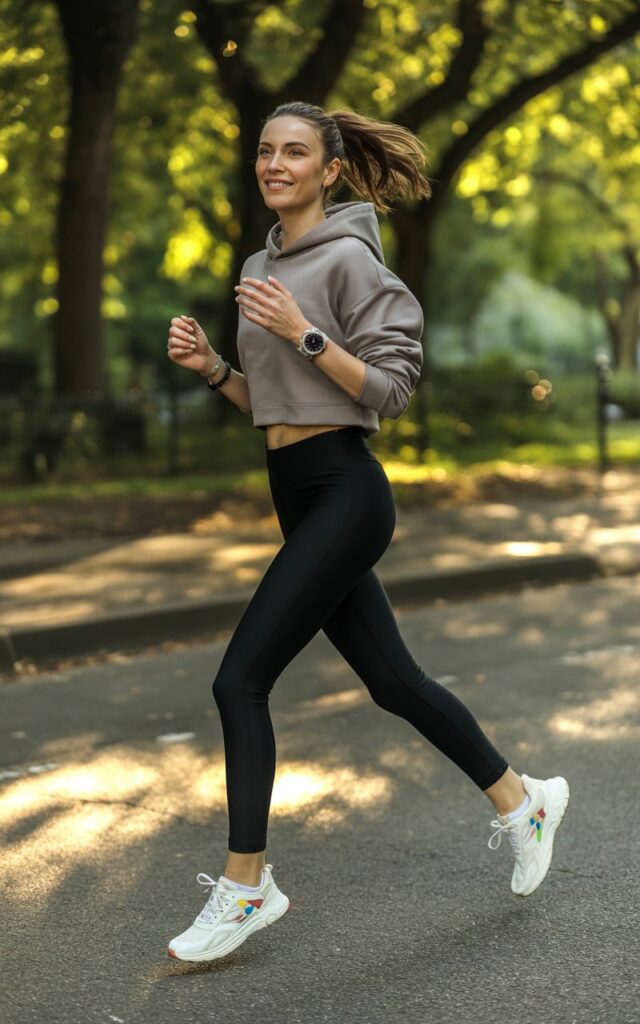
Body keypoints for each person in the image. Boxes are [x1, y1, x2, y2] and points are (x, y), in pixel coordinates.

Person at [164, 101, 570, 963]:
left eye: (295, 153)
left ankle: (247, 887)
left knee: (239, 682)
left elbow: (388, 390)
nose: (276, 164)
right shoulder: (258, 261)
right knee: (393, 680)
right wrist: (215, 371)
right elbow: (272, 410)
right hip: (298, 492)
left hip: (348, 491)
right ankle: (523, 801)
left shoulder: (349, 258)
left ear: (330, 169)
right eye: (266, 151)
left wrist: (304, 333)